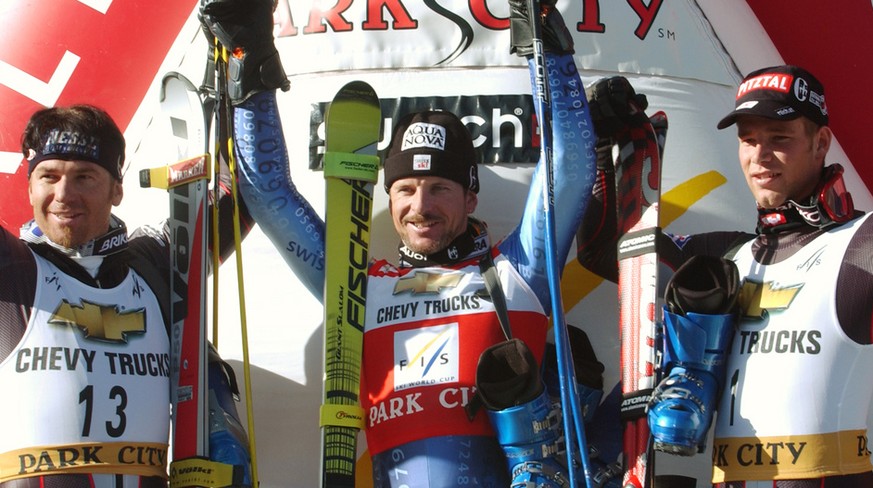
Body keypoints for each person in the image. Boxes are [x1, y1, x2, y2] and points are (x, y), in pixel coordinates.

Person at [198, 0, 605, 485]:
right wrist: (250, 57)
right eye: (406, 190)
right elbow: (268, 195)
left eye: (440, 188)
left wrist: (547, 49)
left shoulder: (520, 270)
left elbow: (570, 167)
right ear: (389, 200)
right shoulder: (357, 287)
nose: (421, 206)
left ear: (471, 197)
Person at [577, 66, 873, 487]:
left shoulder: (861, 244)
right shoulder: (722, 258)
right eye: (748, 140)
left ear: (820, 143)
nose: (760, 155)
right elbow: (608, 250)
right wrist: (604, 147)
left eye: (779, 139)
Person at [0, 75, 270, 488]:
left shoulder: (156, 260)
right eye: (48, 177)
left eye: (85, 177)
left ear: (117, 189)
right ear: (30, 187)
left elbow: (245, 193)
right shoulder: (13, 268)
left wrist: (247, 73)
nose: (64, 194)